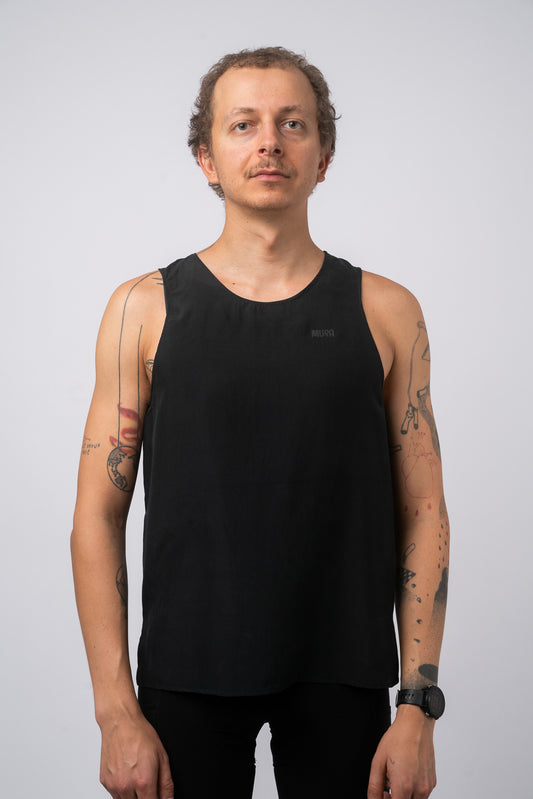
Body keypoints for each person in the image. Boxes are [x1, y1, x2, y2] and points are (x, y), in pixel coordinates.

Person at [71, 46, 449, 799]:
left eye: (292, 123)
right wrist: (115, 712)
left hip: (344, 671)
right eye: (243, 124)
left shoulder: (386, 310)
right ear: (207, 158)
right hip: (187, 671)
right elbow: (97, 514)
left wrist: (416, 707)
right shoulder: (142, 309)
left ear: (323, 156)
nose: (269, 142)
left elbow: (424, 511)